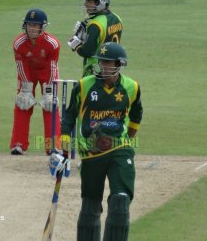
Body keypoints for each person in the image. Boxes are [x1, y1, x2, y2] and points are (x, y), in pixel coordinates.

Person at [49, 42, 143, 241]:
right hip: (91, 153)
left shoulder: (132, 87)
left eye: (109, 63)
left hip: (120, 149)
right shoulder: (84, 85)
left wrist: (128, 141)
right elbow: (68, 117)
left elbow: (136, 115)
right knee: (90, 205)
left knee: (120, 200)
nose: (104, 67)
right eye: (102, 62)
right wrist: (63, 151)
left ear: (119, 64)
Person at [10, 8, 61, 155]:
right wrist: (25, 89)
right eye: (29, 25)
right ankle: (18, 144)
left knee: (50, 104)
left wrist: (49, 91)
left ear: (42, 27)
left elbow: (53, 66)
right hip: (27, 72)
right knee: (23, 103)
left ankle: (54, 146)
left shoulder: (53, 44)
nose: (31, 29)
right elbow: (20, 65)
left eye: (35, 25)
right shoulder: (18, 43)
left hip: (47, 72)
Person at [68, 0, 123, 77]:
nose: (85, 4)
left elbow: (87, 52)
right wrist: (89, 33)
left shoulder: (95, 25)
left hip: (95, 70)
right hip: (113, 69)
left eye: (89, 1)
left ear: (100, 2)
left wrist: (76, 42)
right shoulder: (117, 18)